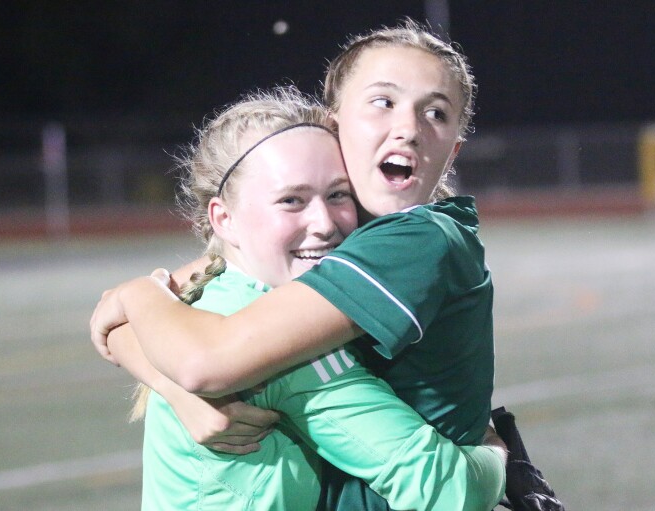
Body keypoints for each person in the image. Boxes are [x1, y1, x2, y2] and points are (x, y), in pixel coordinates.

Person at [94, 19, 562, 511]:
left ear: (453, 151)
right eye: (383, 101)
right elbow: (169, 320)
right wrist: (169, 370)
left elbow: (181, 335)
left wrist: (143, 314)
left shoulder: (413, 238)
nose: (408, 127)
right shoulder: (347, 232)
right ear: (334, 125)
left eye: (437, 114)